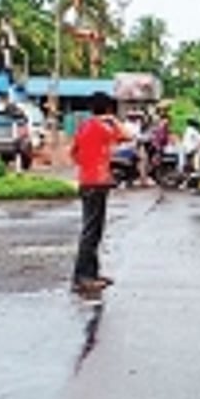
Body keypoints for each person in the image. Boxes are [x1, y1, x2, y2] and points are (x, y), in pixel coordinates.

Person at [69, 91, 132, 297]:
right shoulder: (103, 127)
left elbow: (74, 153)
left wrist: (88, 164)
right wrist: (113, 119)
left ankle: (92, 274)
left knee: (93, 230)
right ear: (108, 109)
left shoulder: (84, 126)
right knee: (91, 232)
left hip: (87, 181)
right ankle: (82, 278)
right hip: (97, 182)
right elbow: (127, 136)